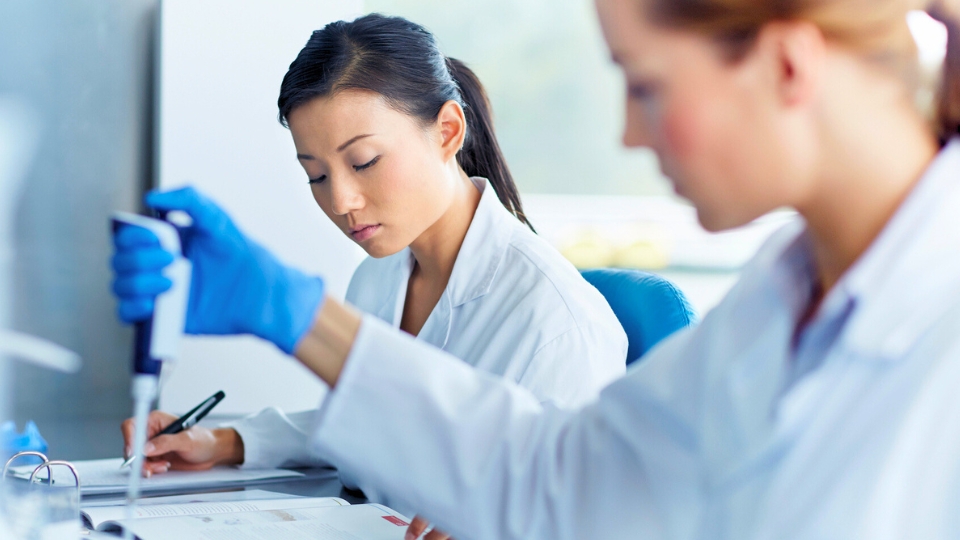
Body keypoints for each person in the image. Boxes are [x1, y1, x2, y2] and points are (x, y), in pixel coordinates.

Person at [111, 0, 960, 537]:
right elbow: (562, 477)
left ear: (785, 65)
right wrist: (294, 316)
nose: (630, 133)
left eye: (647, 86)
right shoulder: (784, 290)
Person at [114, 12, 627, 518]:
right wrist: (224, 441)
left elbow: (572, 510)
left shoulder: (560, 324)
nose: (341, 200)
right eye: (315, 175)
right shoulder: (380, 275)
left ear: (448, 131)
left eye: (363, 162)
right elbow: (379, 415)